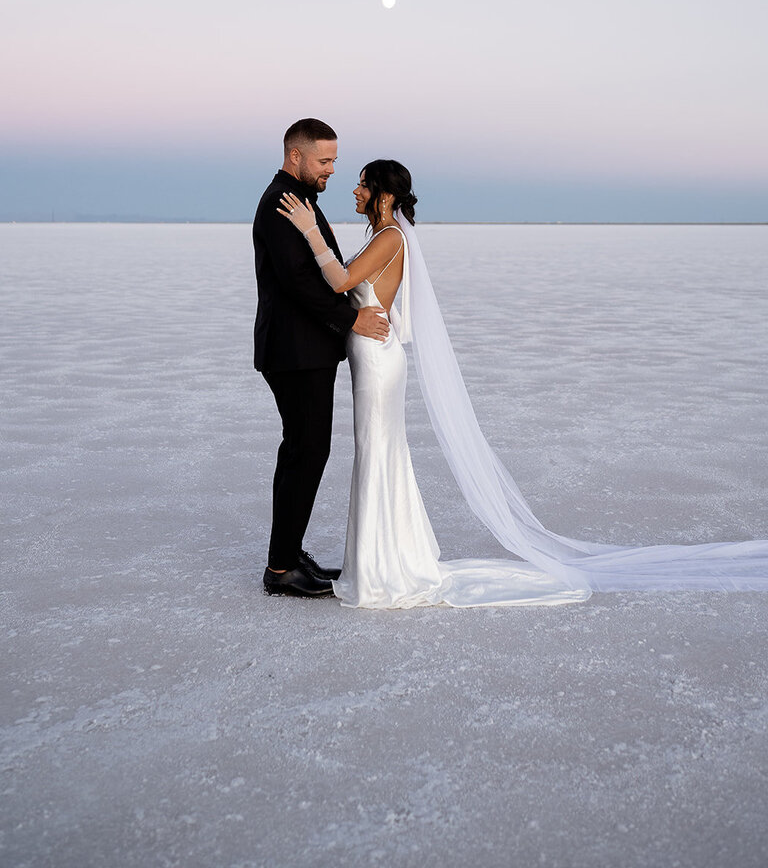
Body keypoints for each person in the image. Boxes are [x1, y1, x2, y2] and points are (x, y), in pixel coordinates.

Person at [279, 159, 768, 607]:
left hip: (378, 359)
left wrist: (308, 232)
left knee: (380, 452)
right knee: (376, 451)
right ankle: (380, 559)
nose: (355, 188)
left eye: (363, 182)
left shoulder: (390, 237)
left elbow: (342, 282)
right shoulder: (382, 233)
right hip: (370, 351)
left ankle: (386, 567)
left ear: (383, 192)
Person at [253, 119, 389, 599]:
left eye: (334, 160)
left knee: (304, 450)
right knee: (306, 451)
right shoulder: (279, 203)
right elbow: (297, 281)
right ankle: (281, 567)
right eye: (324, 160)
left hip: (305, 349)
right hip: (293, 351)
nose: (332, 169)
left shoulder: (300, 200)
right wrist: (350, 321)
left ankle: (288, 554)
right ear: (296, 156)